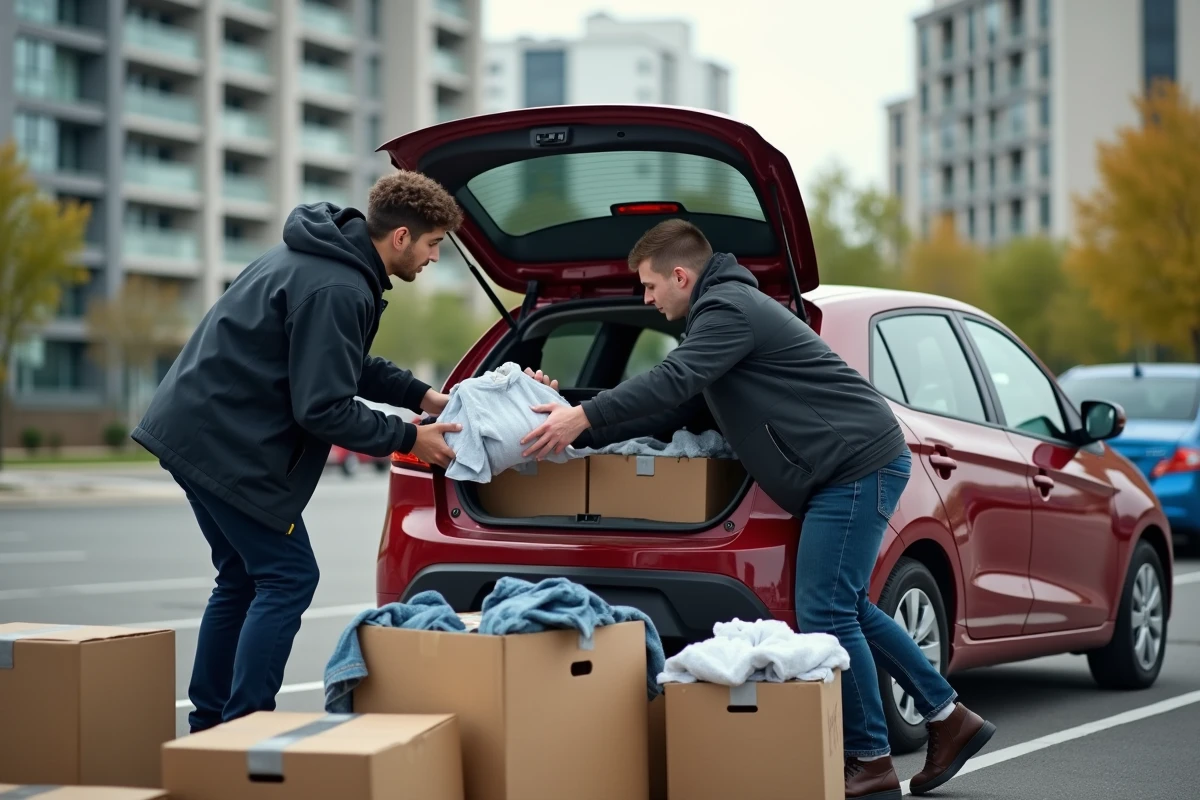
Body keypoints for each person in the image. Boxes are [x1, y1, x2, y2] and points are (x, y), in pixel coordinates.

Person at [520, 219, 995, 799]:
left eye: (648, 285)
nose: (645, 299)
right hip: (846, 467)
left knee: (826, 610)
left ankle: (871, 758)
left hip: (854, 465)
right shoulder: (716, 318)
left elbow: (674, 379)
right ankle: (949, 716)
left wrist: (584, 415)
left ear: (680, 275)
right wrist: (573, 426)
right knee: (845, 605)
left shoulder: (728, 309)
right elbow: (674, 411)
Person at [132, 171, 464, 733]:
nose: (434, 258)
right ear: (401, 237)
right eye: (434, 244)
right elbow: (324, 408)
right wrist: (412, 438)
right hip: (227, 444)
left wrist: (421, 395)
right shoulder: (340, 286)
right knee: (289, 577)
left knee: (241, 577)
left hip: (196, 429)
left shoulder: (320, 259)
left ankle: (212, 728)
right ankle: (246, 727)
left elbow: (338, 359)